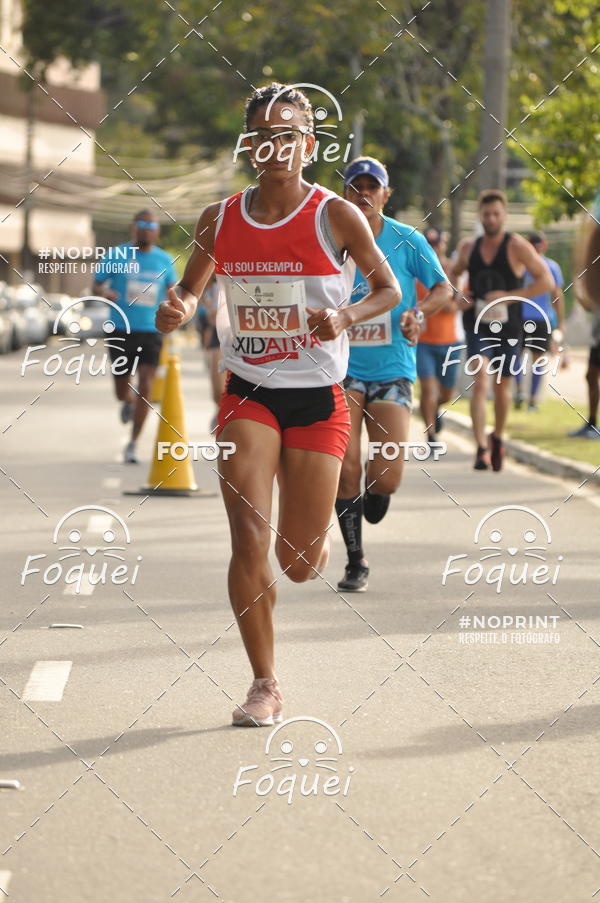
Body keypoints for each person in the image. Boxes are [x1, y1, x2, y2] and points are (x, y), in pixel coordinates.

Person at [155, 84, 400, 726]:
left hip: (318, 400)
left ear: (307, 145)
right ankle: (264, 683)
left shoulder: (335, 216)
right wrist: (177, 307)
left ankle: (313, 541)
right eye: (262, 134)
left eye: (287, 134)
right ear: (249, 145)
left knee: (295, 563)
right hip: (249, 393)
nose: (273, 146)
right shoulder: (220, 218)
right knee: (246, 539)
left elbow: (387, 290)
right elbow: (188, 287)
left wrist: (343, 316)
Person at [335, 158, 450, 592]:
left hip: (393, 369)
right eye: (355, 187)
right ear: (343, 193)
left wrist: (419, 312)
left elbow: (442, 288)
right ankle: (355, 561)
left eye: (372, 187)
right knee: (344, 467)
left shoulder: (408, 240)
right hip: (341, 369)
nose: (362, 194)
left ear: (387, 194)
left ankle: (377, 491)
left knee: (386, 476)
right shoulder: (330, 240)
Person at [449, 190, 553, 471]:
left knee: (502, 385)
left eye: (496, 214)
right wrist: (458, 294)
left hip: (509, 326)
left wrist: (510, 296)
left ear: (504, 216)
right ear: (480, 217)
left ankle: (497, 437)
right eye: (486, 214)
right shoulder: (470, 247)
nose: (491, 219)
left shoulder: (517, 246)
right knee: (481, 378)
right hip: (476, 322)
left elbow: (545, 280)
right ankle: (481, 448)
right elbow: (454, 272)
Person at [93, 210, 177, 463]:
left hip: (151, 330)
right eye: (141, 224)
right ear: (133, 228)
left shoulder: (164, 260)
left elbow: (174, 290)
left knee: (147, 386)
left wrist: (175, 308)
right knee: (121, 389)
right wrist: (104, 293)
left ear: (157, 231)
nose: (146, 229)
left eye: (151, 225)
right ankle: (126, 401)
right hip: (120, 329)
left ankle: (133, 442)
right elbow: (96, 284)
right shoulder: (117, 255)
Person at [416, 227, 461, 442]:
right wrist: (441, 302)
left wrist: (435, 303)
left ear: (443, 244)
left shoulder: (453, 271)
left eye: (437, 243)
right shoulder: (416, 270)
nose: (434, 248)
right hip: (424, 342)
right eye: (430, 244)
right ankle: (430, 434)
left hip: (450, 341)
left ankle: (434, 409)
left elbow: (455, 306)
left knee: (446, 393)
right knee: (428, 388)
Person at [514, 231, 566, 411]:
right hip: (541, 319)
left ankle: (520, 390)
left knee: (517, 357)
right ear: (544, 245)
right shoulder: (551, 266)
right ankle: (532, 400)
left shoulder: (522, 266)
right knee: (537, 360)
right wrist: (560, 322)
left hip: (521, 317)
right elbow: (557, 296)